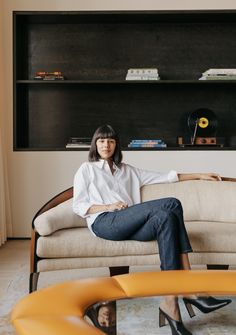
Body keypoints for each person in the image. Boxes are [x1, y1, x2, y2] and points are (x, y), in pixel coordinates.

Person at [73, 124, 231, 335]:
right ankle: (191, 287)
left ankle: (170, 303)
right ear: (95, 144)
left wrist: (199, 174)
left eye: (110, 141)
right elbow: (79, 206)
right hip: (105, 222)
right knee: (171, 204)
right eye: (102, 141)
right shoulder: (87, 169)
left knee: (165, 217)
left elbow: (165, 176)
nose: (106, 145)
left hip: (130, 224)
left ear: (116, 145)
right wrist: (109, 207)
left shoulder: (127, 170)